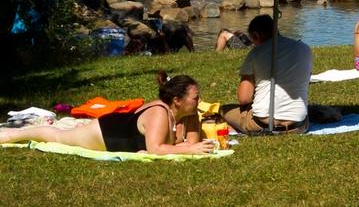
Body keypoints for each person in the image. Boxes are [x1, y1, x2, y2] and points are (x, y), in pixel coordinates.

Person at [1, 72, 214, 155]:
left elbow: (190, 142)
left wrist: (191, 146)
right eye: (195, 97)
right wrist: (190, 149)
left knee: (66, 131)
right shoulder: (159, 113)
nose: (199, 101)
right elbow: (157, 149)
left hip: (120, 126)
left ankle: (76, 127)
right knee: (56, 136)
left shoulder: (189, 114)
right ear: (177, 100)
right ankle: (10, 135)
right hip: (107, 132)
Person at [221, 14, 313, 134]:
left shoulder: (255, 54)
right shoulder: (305, 49)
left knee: (223, 110)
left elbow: (244, 98)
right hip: (297, 126)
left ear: (256, 35)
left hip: (262, 125)